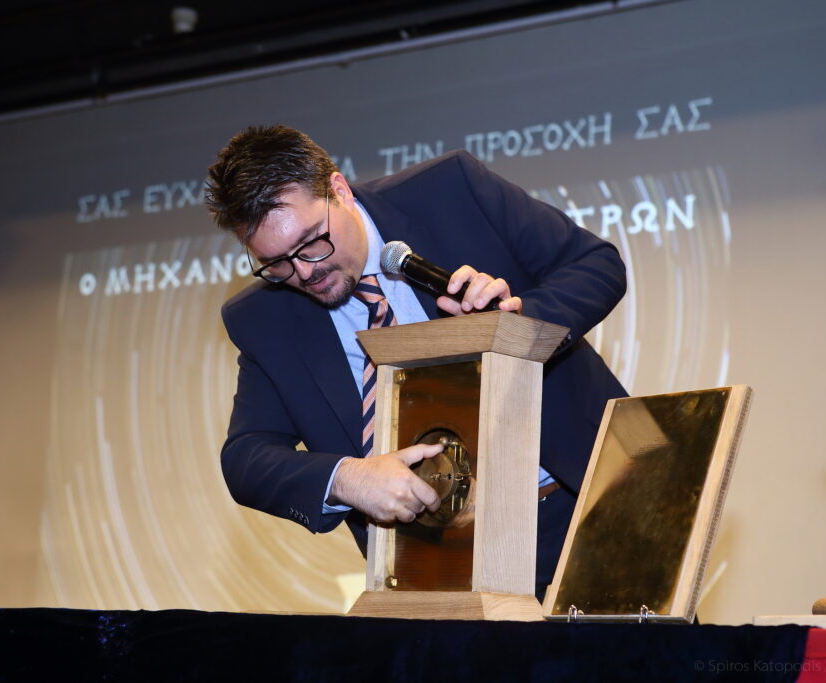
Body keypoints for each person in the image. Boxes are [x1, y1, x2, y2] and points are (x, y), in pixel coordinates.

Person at [205, 124, 627, 597]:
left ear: (339, 190)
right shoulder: (263, 317)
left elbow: (596, 264)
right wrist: (347, 478)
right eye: (276, 263)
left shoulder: (451, 189)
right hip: (437, 560)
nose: (305, 272)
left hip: (583, 501)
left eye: (312, 242)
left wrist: (520, 322)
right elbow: (246, 458)